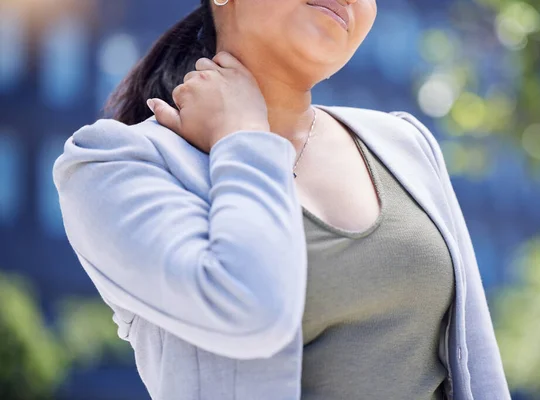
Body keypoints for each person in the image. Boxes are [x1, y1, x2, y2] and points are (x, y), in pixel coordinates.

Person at [53, 0, 511, 399]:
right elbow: (251, 310)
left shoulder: (404, 144)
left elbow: (480, 371)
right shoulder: (113, 164)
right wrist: (243, 137)